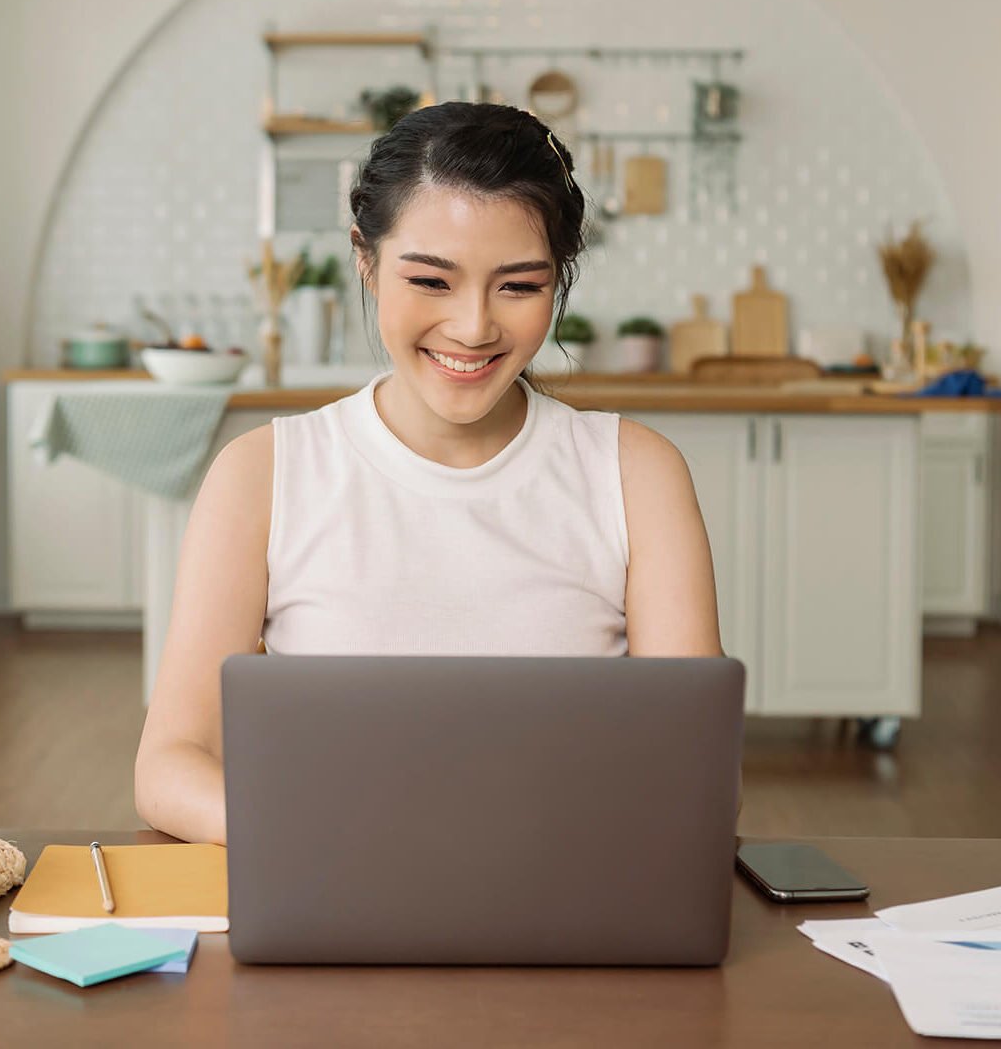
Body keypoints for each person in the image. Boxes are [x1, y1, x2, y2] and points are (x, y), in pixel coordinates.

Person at [135, 102, 723, 845]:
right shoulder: (262, 474)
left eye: (518, 286)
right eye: (432, 281)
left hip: (562, 889)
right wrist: (326, 833)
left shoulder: (637, 474)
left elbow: (695, 769)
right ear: (366, 260)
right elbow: (167, 765)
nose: (473, 327)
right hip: (329, 884)